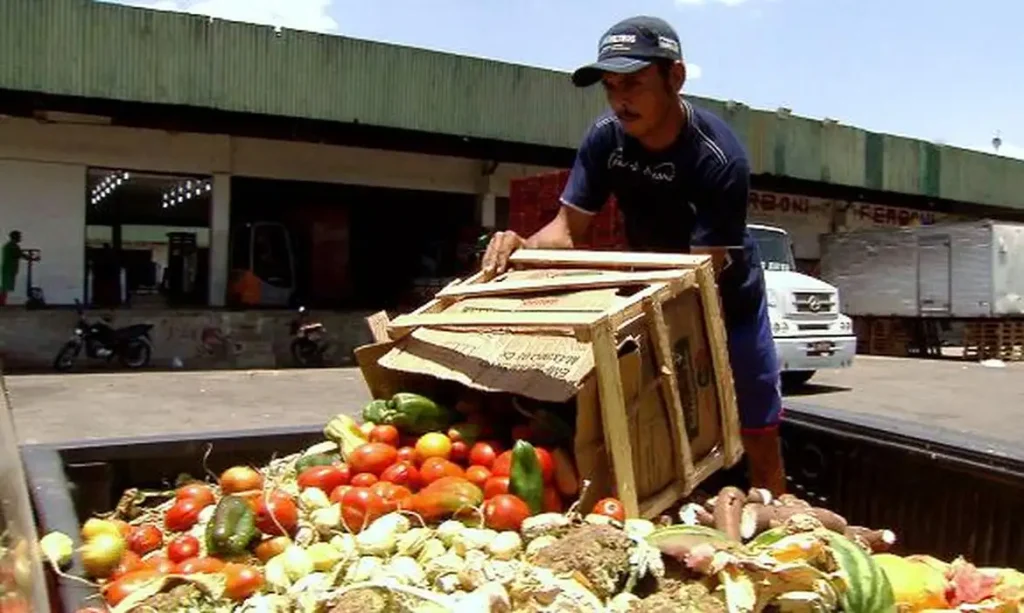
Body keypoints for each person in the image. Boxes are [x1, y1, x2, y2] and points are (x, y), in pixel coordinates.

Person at [481, 16, 787, 494]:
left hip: (726, 298)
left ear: (675, 77)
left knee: (756, 426)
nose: (619, 99)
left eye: (633, 83)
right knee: (651, 425)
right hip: (649, 288)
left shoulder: (719, 157)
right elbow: (566, 229)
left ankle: (779, 508)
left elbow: (704, 269)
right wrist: (523, 248)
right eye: (610, 86)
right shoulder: (606, 138)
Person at [1, 230, 27, 306]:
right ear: (15, 237)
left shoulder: (8, 245)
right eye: (19, 236)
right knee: (4, 287)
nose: (20, 238)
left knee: (4, 287)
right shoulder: (13, 246)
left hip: (7, 269)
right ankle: (1, 302)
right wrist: (31, 258)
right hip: (9, 269)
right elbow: (20, 254)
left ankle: (2, 302)